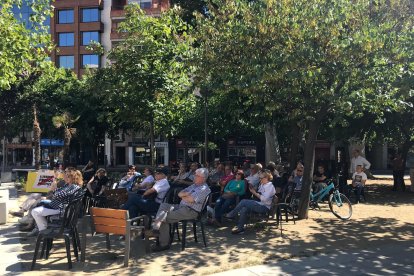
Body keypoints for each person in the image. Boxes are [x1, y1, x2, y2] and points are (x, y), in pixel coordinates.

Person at [148, 168, 211, 252]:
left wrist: (184, 196)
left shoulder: (204, 189)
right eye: (195, 175)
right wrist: (185, 195)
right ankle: (156, 228)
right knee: (164, 205)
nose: (194, 177)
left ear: (203, 178)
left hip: (191, 211)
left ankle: (163, 243)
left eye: (196, 175)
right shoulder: (194, 185)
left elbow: (191, 200)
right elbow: (179, 194)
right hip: (181, 206)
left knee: (164, 218)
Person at [29, 169, 84, 237]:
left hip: (61, 209)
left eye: (68, 176)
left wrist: (55, 193)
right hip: (58, 206)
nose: (66, 177)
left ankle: (43, 231)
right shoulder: (68, 185)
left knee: (35, 211)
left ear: (73, 178)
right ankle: (42, 229)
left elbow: (57, 194)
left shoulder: (73, 187)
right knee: (38, 205)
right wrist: (55, 192)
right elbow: (55, 192)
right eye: (66, 176)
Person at [225, 170, 276, 234]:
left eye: (261, 178)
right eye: (259, 178)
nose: (260, 180)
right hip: (259, 204)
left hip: (264, 207)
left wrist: (254, 193)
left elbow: (264, 199)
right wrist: (253, 191)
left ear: (266, 178)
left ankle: (232, 214)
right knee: (244, 209)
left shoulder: (270, 186)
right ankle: (240, 229)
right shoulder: (263, 184)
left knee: (243, 201)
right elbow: (259, 195)